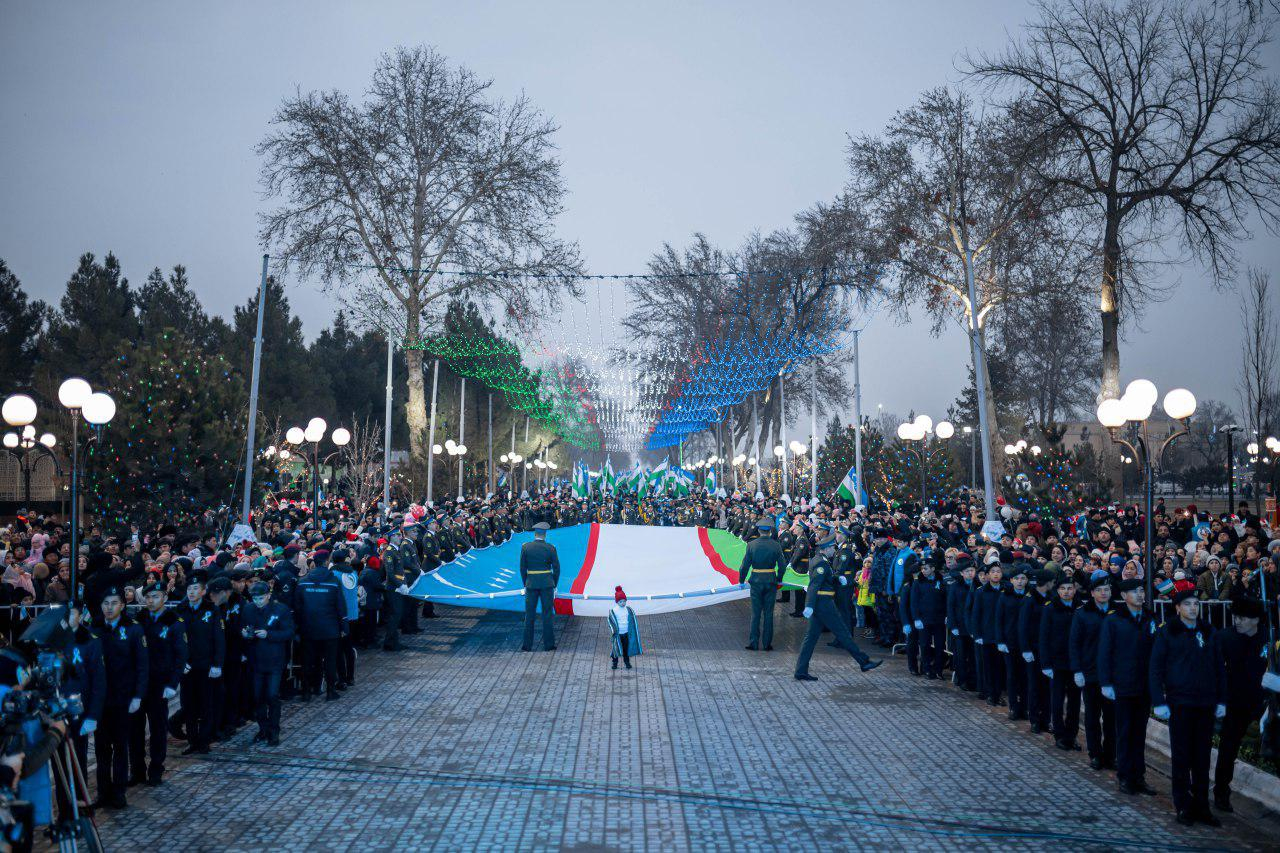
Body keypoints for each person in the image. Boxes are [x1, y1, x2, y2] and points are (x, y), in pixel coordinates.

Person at [1150, 589, 1226, 826]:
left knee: (1202, 758)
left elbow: (1219, 667)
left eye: (1196, 604)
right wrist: (1159, 702)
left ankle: (1202, 806)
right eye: (1188, 604)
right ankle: (1182, 804)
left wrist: (1221, 700)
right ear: (1178, 608)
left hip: (1205, 702)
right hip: (1180, 701)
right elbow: (1156, 668)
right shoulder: (1168, 632)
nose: (1193, 608)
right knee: (1182, 757)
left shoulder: (1209, 631)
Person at [1097, 578, 1157, 796]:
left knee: (1140, 733)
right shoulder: (1114, 620)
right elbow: (1104, 652)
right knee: (1124, 732)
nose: (1140, 595)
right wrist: (1106, 682)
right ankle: (1124, 775)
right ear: (1123, 596)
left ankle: (1138, 776)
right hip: (1122, 684)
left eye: (1142, 591)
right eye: (1134, 592)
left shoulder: (1150, 617)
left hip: (1143, 685)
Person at [794, 533, 881, 681]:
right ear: (825, 548)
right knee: (843, 633)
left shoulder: (818, 559)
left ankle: (801, 670)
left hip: (820, 604)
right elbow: (815, 584)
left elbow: (824, 579)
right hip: (824, 604)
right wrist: (808, 605)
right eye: (832, 548)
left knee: (811, 639)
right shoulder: (821, 563)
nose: (834, 551)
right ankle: (864, 661)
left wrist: (836, 579)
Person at [1210, 597, 1267, 813]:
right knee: (1228, 748)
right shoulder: (1225, 637)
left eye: (1242, 618)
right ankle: (1221, 792)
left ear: (1255, 620)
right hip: (1232, 701)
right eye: (1235, 617)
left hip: (1260, 702)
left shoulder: (1267, 636)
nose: (1238, 621)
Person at [94, 586, 148, 809]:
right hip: (100, 698)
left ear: (122, 606)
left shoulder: (133, 629)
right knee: (101, 748)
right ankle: (103, 792)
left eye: (114, 603)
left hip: (124, 697)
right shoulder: (95, 628)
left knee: (120, 746)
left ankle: (119, 791)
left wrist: (138, 695)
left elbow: (142, 665)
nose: (109, 608)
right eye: (106, 604)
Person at [131, 581, 185, 786]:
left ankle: (156, 769)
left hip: (159, 683)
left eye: (155, 596)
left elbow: (180, 655)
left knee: (157, 729)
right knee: (135, 730)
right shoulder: (139, 619)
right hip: (139, 682)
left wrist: (173, 683)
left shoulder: (173, 621)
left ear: (164, 597)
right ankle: (136, 771)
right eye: (148, 597)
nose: (151, 601)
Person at [175, 570, 224, 755]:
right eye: (189, 588)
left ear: (203, 591)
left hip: (206, 665)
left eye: (196, 588)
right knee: (188, 706)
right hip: (187, 666)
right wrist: (180, 661)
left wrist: (217, 663)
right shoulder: (180, 609)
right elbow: (176, 639)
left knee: (206, 705)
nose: (192, 592)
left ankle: (204, 741)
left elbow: (218, 638)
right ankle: (192, 741)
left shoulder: (212, 609)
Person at [241, 581, 294, 746]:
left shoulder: (280, 610)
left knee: (272, 695)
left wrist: (269, 635)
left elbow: (289, 632)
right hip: (256, 660)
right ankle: (263, 728)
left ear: (268, 596)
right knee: (258, 697)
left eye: (261, 598)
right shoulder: (248, 609)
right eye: (255, 598)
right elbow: (243, 627)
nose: (258, 601)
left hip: (275, 660)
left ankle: (273, 730)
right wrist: (245, 634)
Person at [1071, 575, 1115, 771]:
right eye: (1099, 590)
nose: (1103, 593)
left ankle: (1110, 754)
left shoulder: (1117, 613)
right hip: (1090, 672)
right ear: (1092, 593)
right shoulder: (1082, 614)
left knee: (1112, 718)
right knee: (1092, 716)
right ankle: (1095, 753)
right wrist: (1077, 669)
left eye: (1106, 590)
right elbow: (1075, 643)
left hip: (1113, 674)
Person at [294, 550, 347, 701]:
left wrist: (299, 626)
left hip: (308, 628)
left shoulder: (303, 581)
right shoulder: (333, 582)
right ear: (325, 562)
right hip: (330, 629)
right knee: (330, 660)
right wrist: (344, 627)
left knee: (308, 661)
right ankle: (330, 691)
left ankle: (307, 691)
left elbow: (298, 607)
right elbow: (340, 607)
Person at [1039, 575, 1081, 752]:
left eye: (1070, 588)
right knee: (1057, 700)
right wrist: (1046, 663)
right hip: (1057, 661)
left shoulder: (1080, 608)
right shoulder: (1050, 608)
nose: (1066, 592)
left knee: (1074, 701)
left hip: (1075, 663)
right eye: (1063, 589)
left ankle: (1072, 735)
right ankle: (1059, 733)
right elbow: (1044, 637)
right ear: (1057, 591)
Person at [1018, 569, 1055, 735]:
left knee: (1046, 686)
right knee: (1034, 685)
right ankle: (1034, 719)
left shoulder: (1051, 598)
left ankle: (1045, 719)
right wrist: (1025, 648)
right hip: (1033, 648)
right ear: (1046, 582)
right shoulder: (1030, 599)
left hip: (1046, 648)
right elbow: (1023, 626)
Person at [740, 519, 785, 651]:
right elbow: (782, 566)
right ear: (770, 531)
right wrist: (779, 579)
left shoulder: (751, 544)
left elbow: (744, 566)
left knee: (755, 613)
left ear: (759, 531)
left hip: (756, 581)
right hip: (771, 580)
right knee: (769, 613)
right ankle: (767, 644)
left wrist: (741, 581)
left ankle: (753, 642)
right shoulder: (776, 545)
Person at [995, 564, 1030, 720]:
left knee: (1025, 676)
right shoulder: (1005, 596)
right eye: (1017, 579)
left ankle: (1025, 706)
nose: (1020, 582)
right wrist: (1000, 640)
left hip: (1027, 643)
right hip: (1010, 642)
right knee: (1012, 675)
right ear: (1011, 580)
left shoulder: (1030, 596)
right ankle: (1014, 707)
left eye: (1023, 578)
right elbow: (999, 619)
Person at [520, 522, 560, 652]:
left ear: (535, 534)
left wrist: (525, 583)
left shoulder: (526, 547)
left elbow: (522, 568)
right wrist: (554, 584)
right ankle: (549, 645)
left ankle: (527, 645)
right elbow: (556, 568)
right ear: (545, 535)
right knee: (547, 615)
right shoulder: (550, 548)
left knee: (529, 615)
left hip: (531, 584)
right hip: (547, 584)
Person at [909, 557, 947, 679]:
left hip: (938, 619)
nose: (923, 571)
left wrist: (946, 615)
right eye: (922, 569)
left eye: (926, 568)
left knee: (940, 645)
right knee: (925, 644)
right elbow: (914, 602)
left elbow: (945, 599)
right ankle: (926, 668)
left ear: (933, 568)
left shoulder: (941, 581)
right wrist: (916, 618)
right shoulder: (918, 582)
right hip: (924, 619)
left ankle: (938, 669)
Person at [946, 556, 977, 691]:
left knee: (972, 655)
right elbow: (951, 606)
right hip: (959, 625)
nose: (970, 573)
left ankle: (973, 680)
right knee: (960, 655)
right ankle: (962, 679)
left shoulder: (977, 586)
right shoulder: (955, 586)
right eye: (967, 571)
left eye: (972, 570)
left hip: (973, 626)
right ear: (961, 573)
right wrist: (953, 626)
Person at [607, 586, 642, 670]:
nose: (622, 603)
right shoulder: (614, 610)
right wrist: (613, 631)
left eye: (624, 601)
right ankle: (615, 663)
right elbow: (611, 621)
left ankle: (627, 663)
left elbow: (632, 621)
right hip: (618, 634)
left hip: (626, 633)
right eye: (620, 601)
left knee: (626, 649)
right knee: (615, 649)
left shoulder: (628, 610)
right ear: (617, 602)